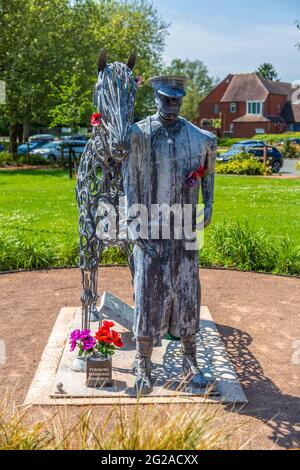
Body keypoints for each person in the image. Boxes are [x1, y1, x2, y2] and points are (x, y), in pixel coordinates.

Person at [123, 75, 217, 394]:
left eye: (177, 99)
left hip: (186, 229)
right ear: (156, 98)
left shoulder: (199, 137)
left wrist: (209, 204)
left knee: (188, 292)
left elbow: (209, 174)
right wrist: (134, 224)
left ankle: (191, 359)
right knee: (148, 292)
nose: (172, 105)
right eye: (166, 99)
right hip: (149, 227)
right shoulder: (139, 134)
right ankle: (144, 361)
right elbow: (129, 181)